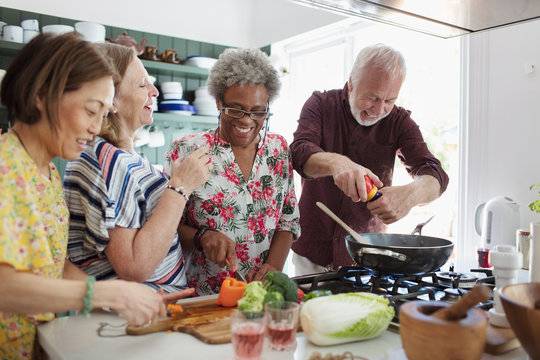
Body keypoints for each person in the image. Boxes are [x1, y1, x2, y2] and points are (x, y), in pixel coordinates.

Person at [0, 33, 173, 360]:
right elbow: (4, 287)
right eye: (92, 110)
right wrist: (108, 292)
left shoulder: (46, 172)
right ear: (42, 95)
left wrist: (129, 298)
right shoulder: (6, 169)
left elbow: (52, 265)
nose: (97, 127)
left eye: (104, 113)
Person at [63, 42, 211, 294]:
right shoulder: (105, 159)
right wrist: (180, 186)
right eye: (142, 84)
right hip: (129, 319)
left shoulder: (121, 156)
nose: (154, 91)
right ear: (110, 99)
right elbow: (134, 266)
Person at [290, 43, 449, 275]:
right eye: (372, 98)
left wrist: (411, 195)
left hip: (368, 257)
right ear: (352, 83)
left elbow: (436, 174)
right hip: (311, 255)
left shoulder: (399, 121)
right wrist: (338, 164)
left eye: (389, 100)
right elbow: (299, 152)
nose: (379, 109)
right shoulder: (320, 105)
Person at [164, 48, 300, 296]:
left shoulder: (278, 149)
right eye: (236, 109)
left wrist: (274, 268)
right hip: (204, 296)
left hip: (265, 293)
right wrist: (202, 238)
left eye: (258, 111)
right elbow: (167, 225)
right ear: (218, 102)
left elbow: (287, 221)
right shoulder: (187, 150)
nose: (247, 121)